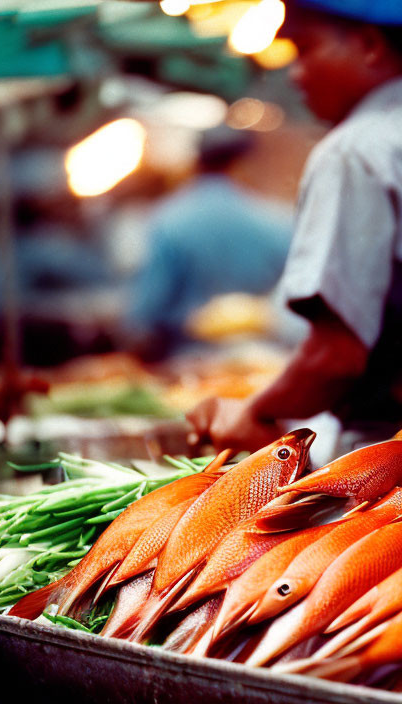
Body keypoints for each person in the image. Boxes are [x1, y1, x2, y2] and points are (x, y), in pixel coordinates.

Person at [187, 0, 402, 455]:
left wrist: (255, 414)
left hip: (385, 461)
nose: (294, 73)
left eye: (305, 49)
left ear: (368, 45)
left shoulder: (356, 151)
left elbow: (336, 355)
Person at [123, 126, 293, 361]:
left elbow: (147, 313)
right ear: (243, 163)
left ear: (196, 162)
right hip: (263, 361)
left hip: (187, 363)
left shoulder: (167, 219)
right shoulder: (277, 220)